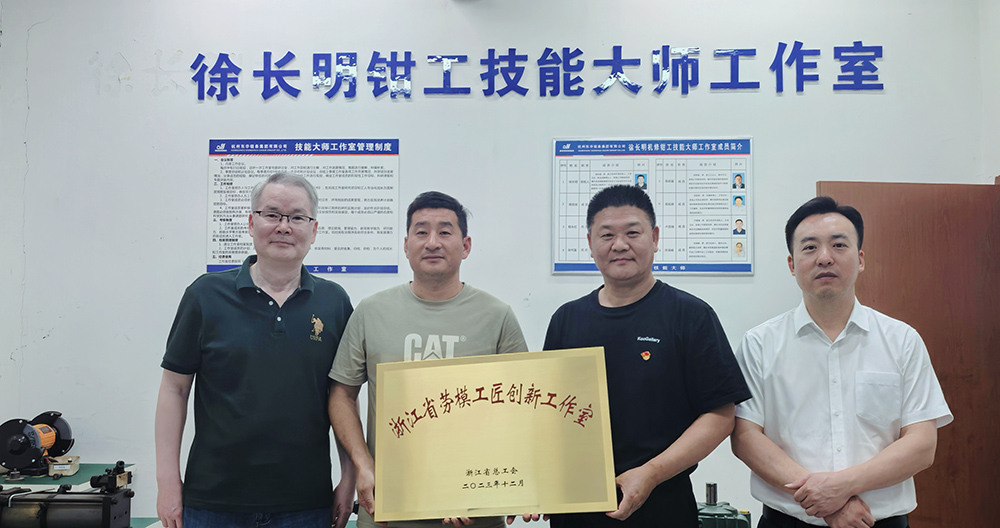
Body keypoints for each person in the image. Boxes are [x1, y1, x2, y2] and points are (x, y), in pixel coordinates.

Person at [731, 196, 952, 528]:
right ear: (792, 264)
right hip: (788, 521)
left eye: (838, 245)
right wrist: (825, 504)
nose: (824, 257)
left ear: (860, 259)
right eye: (809, 248)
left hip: (879, 521)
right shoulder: (759, 344)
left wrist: (842, 488)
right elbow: (746, 437)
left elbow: (922, 444)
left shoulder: (902, 340)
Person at [542, 184, 751, 527]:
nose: (619, 244)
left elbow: (720, 415)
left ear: (654, 238)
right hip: (577, 507)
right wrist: (537, 481)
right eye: (606, 235)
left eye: (632, 232)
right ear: (590, 243)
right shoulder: (566, 320)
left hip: (664, 505)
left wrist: (651, 473)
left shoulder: (690, 315)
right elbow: (548, 415)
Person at [155, 173, 356, 528]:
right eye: (272, 214)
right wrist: (167, 482)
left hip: (306, 503)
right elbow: (175, 389)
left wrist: (349, 477)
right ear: (251, 223)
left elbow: (344, 397)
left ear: (313, 230)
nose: (284, 226)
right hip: (214, 502)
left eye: (297, 217)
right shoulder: (205, 295)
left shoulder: (334, 302)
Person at [328, 191, 528, 528]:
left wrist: (515, 481)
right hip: (387, 508)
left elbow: (523, 408)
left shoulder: (497, 316)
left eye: (445, 232)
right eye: (421, 232)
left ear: (465, 246)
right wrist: (363, 464)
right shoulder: (371, 311)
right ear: (406, 245)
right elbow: (342, 394)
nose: (432, 242)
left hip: (475, 509)